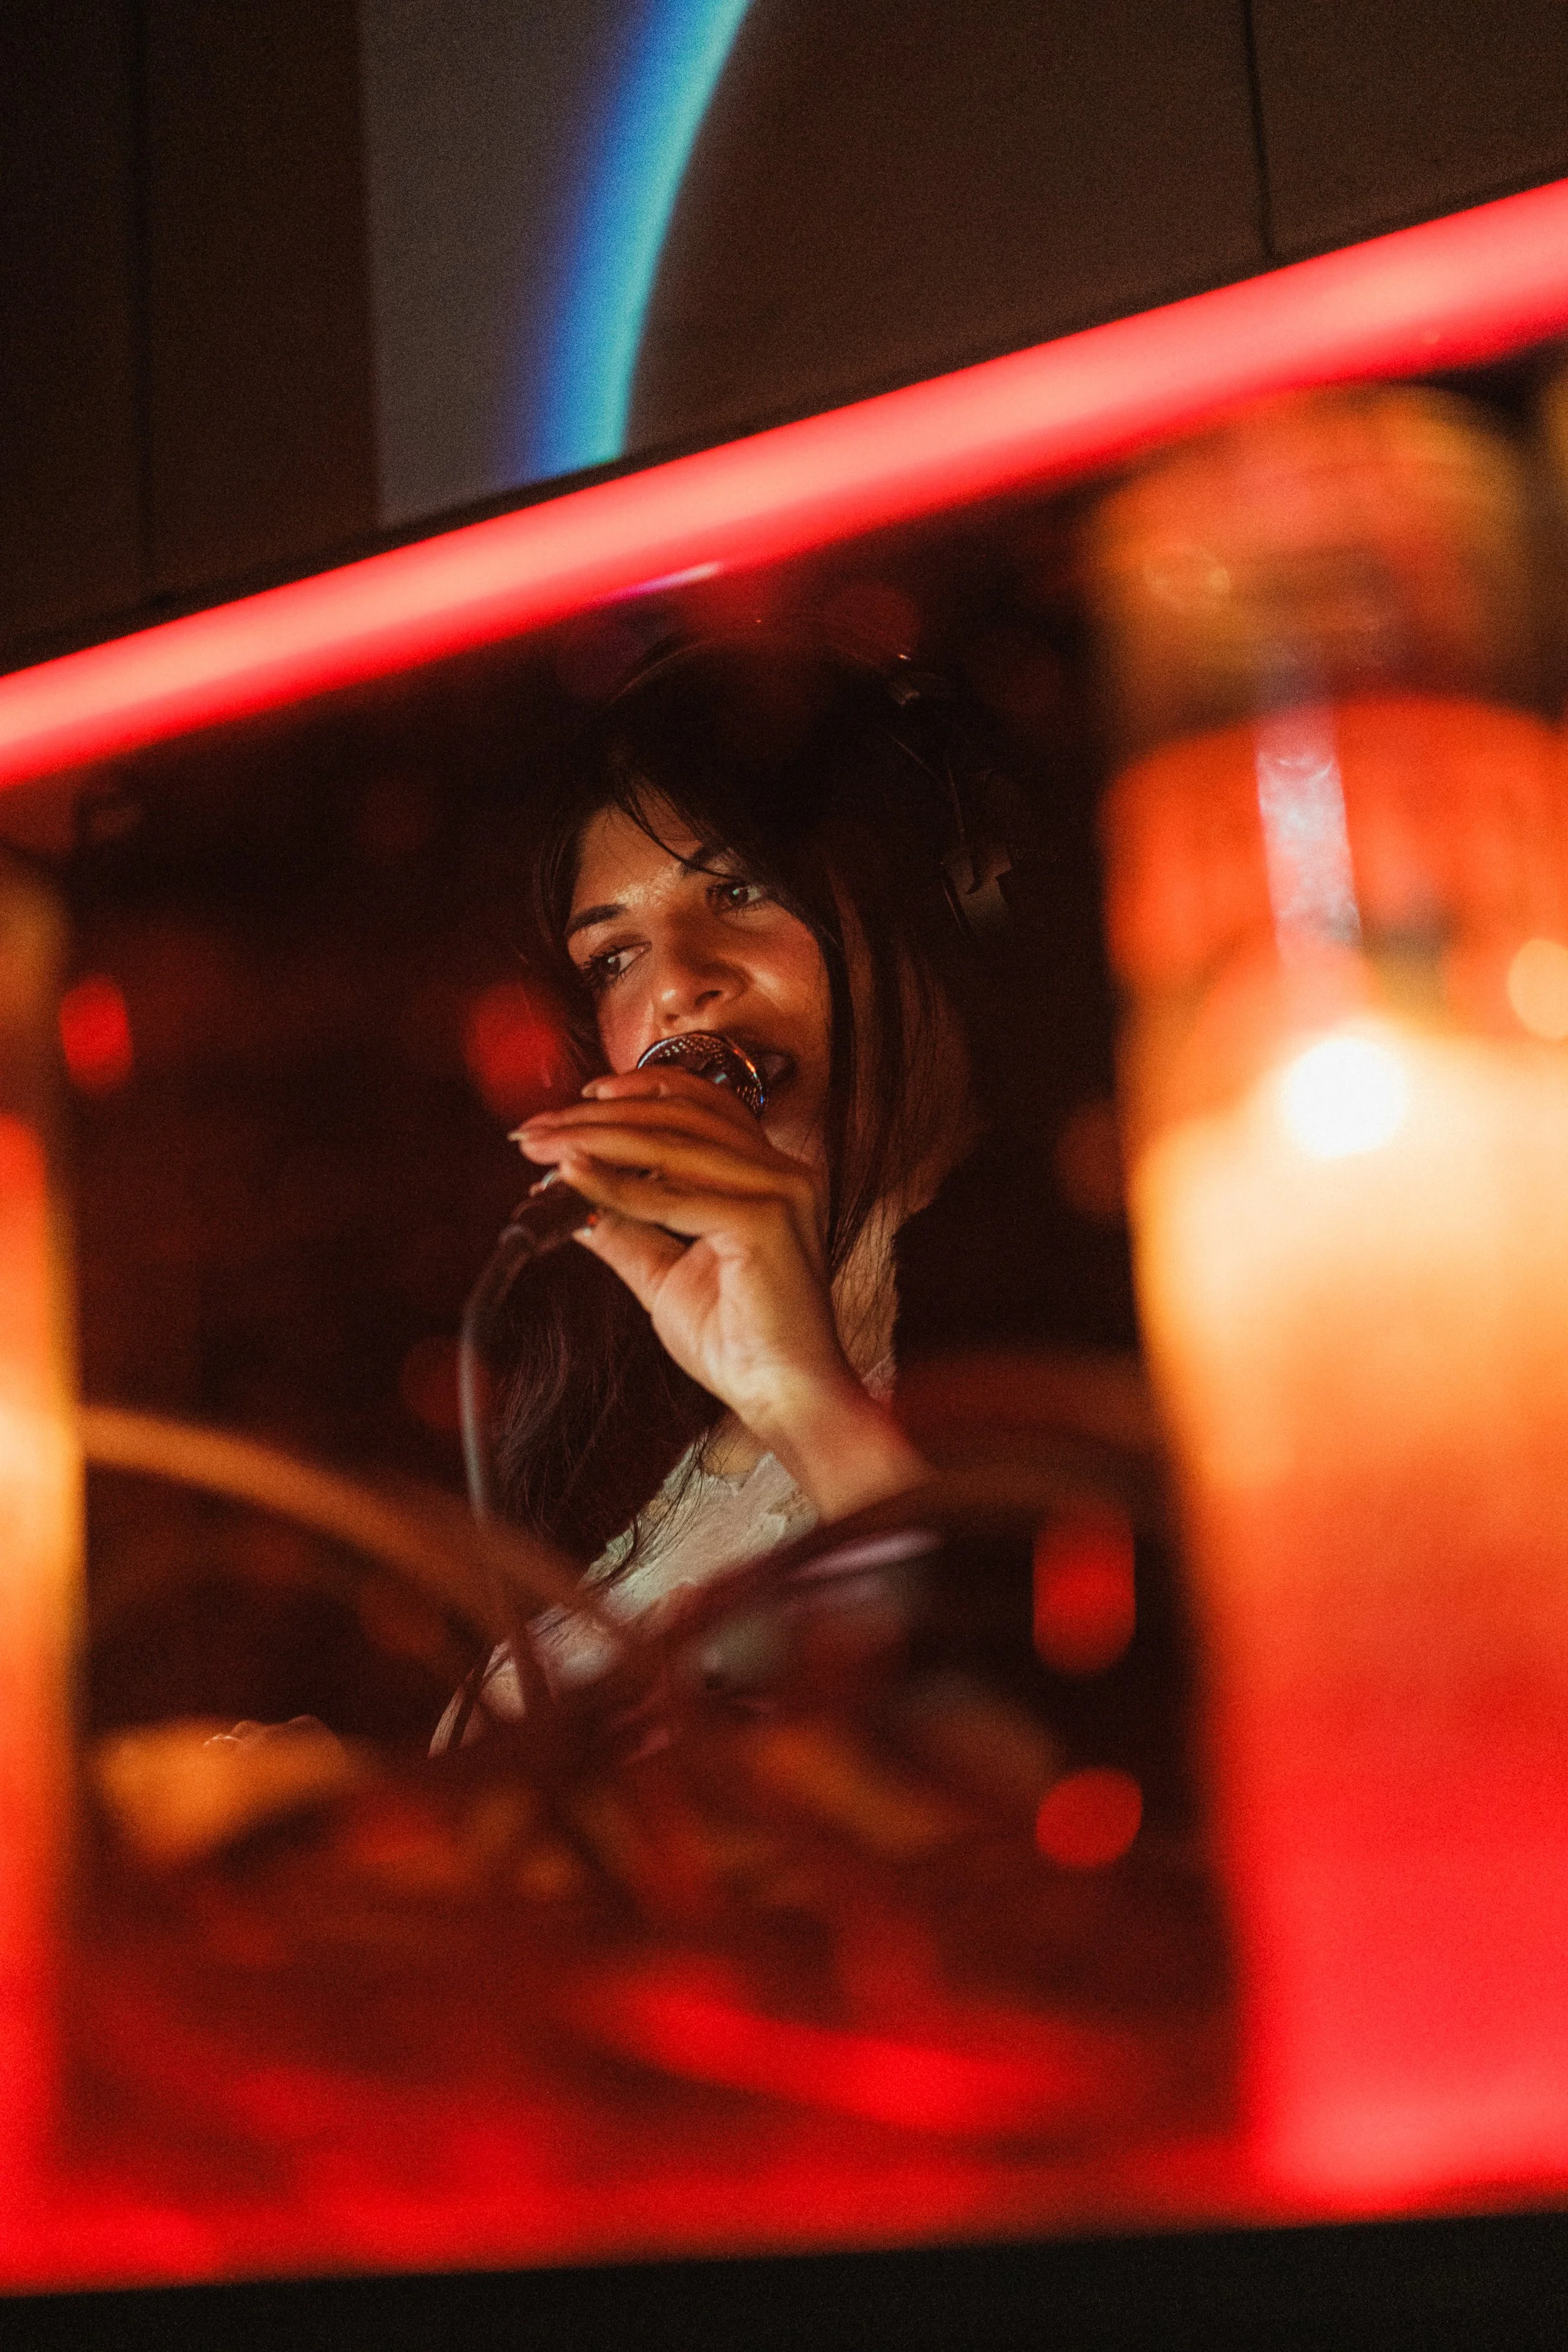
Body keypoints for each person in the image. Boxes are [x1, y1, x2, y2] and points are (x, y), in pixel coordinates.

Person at [435, 634, 1134, 1743]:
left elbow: (1014, 1746)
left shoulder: (1090, 1299)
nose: (674, 983)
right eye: (612, 958)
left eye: (741, 890)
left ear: (931, 896)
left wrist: (811, 1402)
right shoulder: (634, 1398)